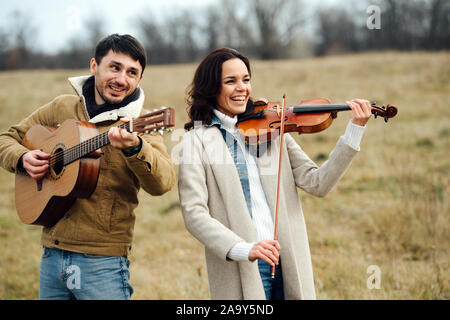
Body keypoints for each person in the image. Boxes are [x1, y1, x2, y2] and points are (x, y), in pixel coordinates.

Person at [177, 48, 371, 300]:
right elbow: (194, 214)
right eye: (230, 81)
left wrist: (354, 130)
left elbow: (318, 183)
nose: (242, 88)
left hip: (287, 258)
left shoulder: (272, 127)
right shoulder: (196, 141)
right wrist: (244, 249)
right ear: (212, 87)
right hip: (242, 263)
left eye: (246, 79)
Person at [0, 34, 176, 299]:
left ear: (139, 79)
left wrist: (135, 147)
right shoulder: (62, 107)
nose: (121, 79)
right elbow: (7, 138)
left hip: (102, 262)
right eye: (114, 67)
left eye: (132, 72)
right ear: (94, 66)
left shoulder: (139, 124)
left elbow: (163, 183)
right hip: (52, 252)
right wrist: (22, 159)